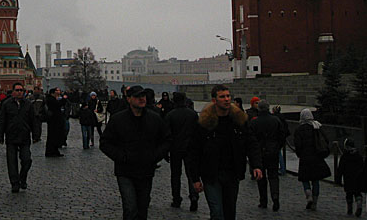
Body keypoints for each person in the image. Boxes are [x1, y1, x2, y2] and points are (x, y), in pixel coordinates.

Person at [187, 84, 262, 220]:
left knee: (229, 211)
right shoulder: (204, 123)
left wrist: (256, 165)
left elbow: (251, 143)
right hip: (211, 174)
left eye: (228, 96)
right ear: (214, 100)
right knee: (216, 212)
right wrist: (195, 178)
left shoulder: (239, 120)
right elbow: (194, 151)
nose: (227, 99)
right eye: (222, 97)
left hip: (232, 172)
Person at [100, 85, 172, 220]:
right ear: (129, 99)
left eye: (143, 96)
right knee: (130, 207)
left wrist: (155, 156)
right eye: (137, 96)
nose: (141, 99)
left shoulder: (154, 118)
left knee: (142, 207)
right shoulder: (118, 119)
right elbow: (105, 143)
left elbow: (167, 140)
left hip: (146, 170)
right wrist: (121, 157)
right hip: (125, 170)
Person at [0, 81, 39, 192]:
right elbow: (2, 121)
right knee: (11, 162)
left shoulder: (28, 104)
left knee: (27, 160)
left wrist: (35, 135)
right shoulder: (6, 104)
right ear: (13, 92)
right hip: (11, 136)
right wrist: (0, 136)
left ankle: (23, 177)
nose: (19, 92)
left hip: (25, 136)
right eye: (17, 90)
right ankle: (15, 183)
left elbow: (33, 120)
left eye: (21, 90)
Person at [249, 99, 286, 211]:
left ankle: (263, 201)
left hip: (259, 153)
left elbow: (251, 139)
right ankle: (275, 197)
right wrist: (277, 147)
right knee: (273, 176)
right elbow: (282, 136)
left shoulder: (254, 121)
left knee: (261, 177)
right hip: (273, 152)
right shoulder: (275, 120)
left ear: (259, 108)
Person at [165, 91, 199, 211]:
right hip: (190, 148)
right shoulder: (193, 114)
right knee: (191, 174)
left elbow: (167, 135)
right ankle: (194, 196)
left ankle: (176, 199)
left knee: (175, 175)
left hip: (175, 149)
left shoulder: (170, 115)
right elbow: (198, 133)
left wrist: (166, 151)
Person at [293, 108, 331, 211]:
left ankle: (308, 193)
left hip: (305, 157)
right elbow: (326, 140)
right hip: (317, 156)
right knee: (315, 180)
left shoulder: (299, 129)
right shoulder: (317, 127)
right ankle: (315, 201)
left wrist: (299, 154)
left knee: (305, 178)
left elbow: (297, 144)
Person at [336, 137, 364, 217]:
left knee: (349, 194)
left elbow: (340, 168)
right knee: (357, 193)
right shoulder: (358, 155)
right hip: (357, 177)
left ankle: (350, 208)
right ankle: (359, 203)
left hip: (348, 178)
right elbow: (362, 167)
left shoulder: (345, 156)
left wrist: (338, 179)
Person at [44, 87, 65, 157]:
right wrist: (64, 99)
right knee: (52, 136)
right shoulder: (51, 99)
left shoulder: (51, 99)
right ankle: (51, 151)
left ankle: (54, 150)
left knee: (55, 136)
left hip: (55, 120)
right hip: (53, 120)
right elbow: (58, 105)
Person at [271, 105, 289, 176]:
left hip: (276, 139)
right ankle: (282, 169)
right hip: (281, 138)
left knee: (278, 154)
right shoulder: (282, 117)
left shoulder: (274, 118)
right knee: (279, 153)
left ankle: (281, 169)